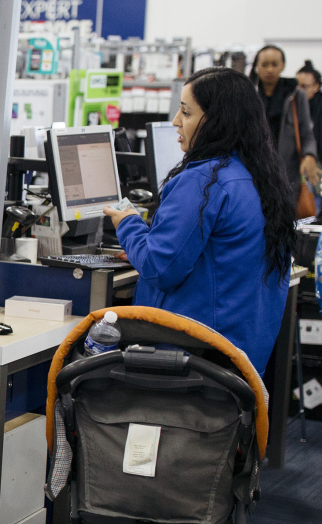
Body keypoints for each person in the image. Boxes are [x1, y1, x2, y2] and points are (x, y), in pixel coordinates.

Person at [104, 67, 295, 375]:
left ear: (216, 121)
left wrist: (128, 222)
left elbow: (159, 267)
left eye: (186, 112)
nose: (177, 122)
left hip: (191, 357)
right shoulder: (259, 176)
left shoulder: (204, 181)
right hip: (238, 356)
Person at [248, 45, 320, 204]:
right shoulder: (248, 94)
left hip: (287, 172)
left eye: (274, 64)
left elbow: (307, 133)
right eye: (264, 64)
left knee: (284, 218)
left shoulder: (295, 93)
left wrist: (310, 155)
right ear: (256, 67)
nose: (269, 69)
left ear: (283, 65)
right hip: (254, 169)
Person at [297, 60, 322, 211]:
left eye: (304, 87)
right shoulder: (291, 106)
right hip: (298, 169)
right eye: (297, 86)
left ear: (316, 86)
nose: (299, 91)